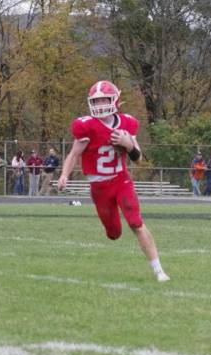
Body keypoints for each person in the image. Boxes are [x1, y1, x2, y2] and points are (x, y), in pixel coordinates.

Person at [58, 80, 169, 282]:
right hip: (99, 188)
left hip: (121, 181)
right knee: (114, 233)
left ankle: (159, 271)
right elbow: (74, 154)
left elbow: (139, 159)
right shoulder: (86, 126)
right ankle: (113, 227)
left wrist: (128, 145)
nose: (100, 105)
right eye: (96, 101)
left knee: (135, 222)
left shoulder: (127, 123)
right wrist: (64, 174)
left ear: (114, 100)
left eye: (104, 100)